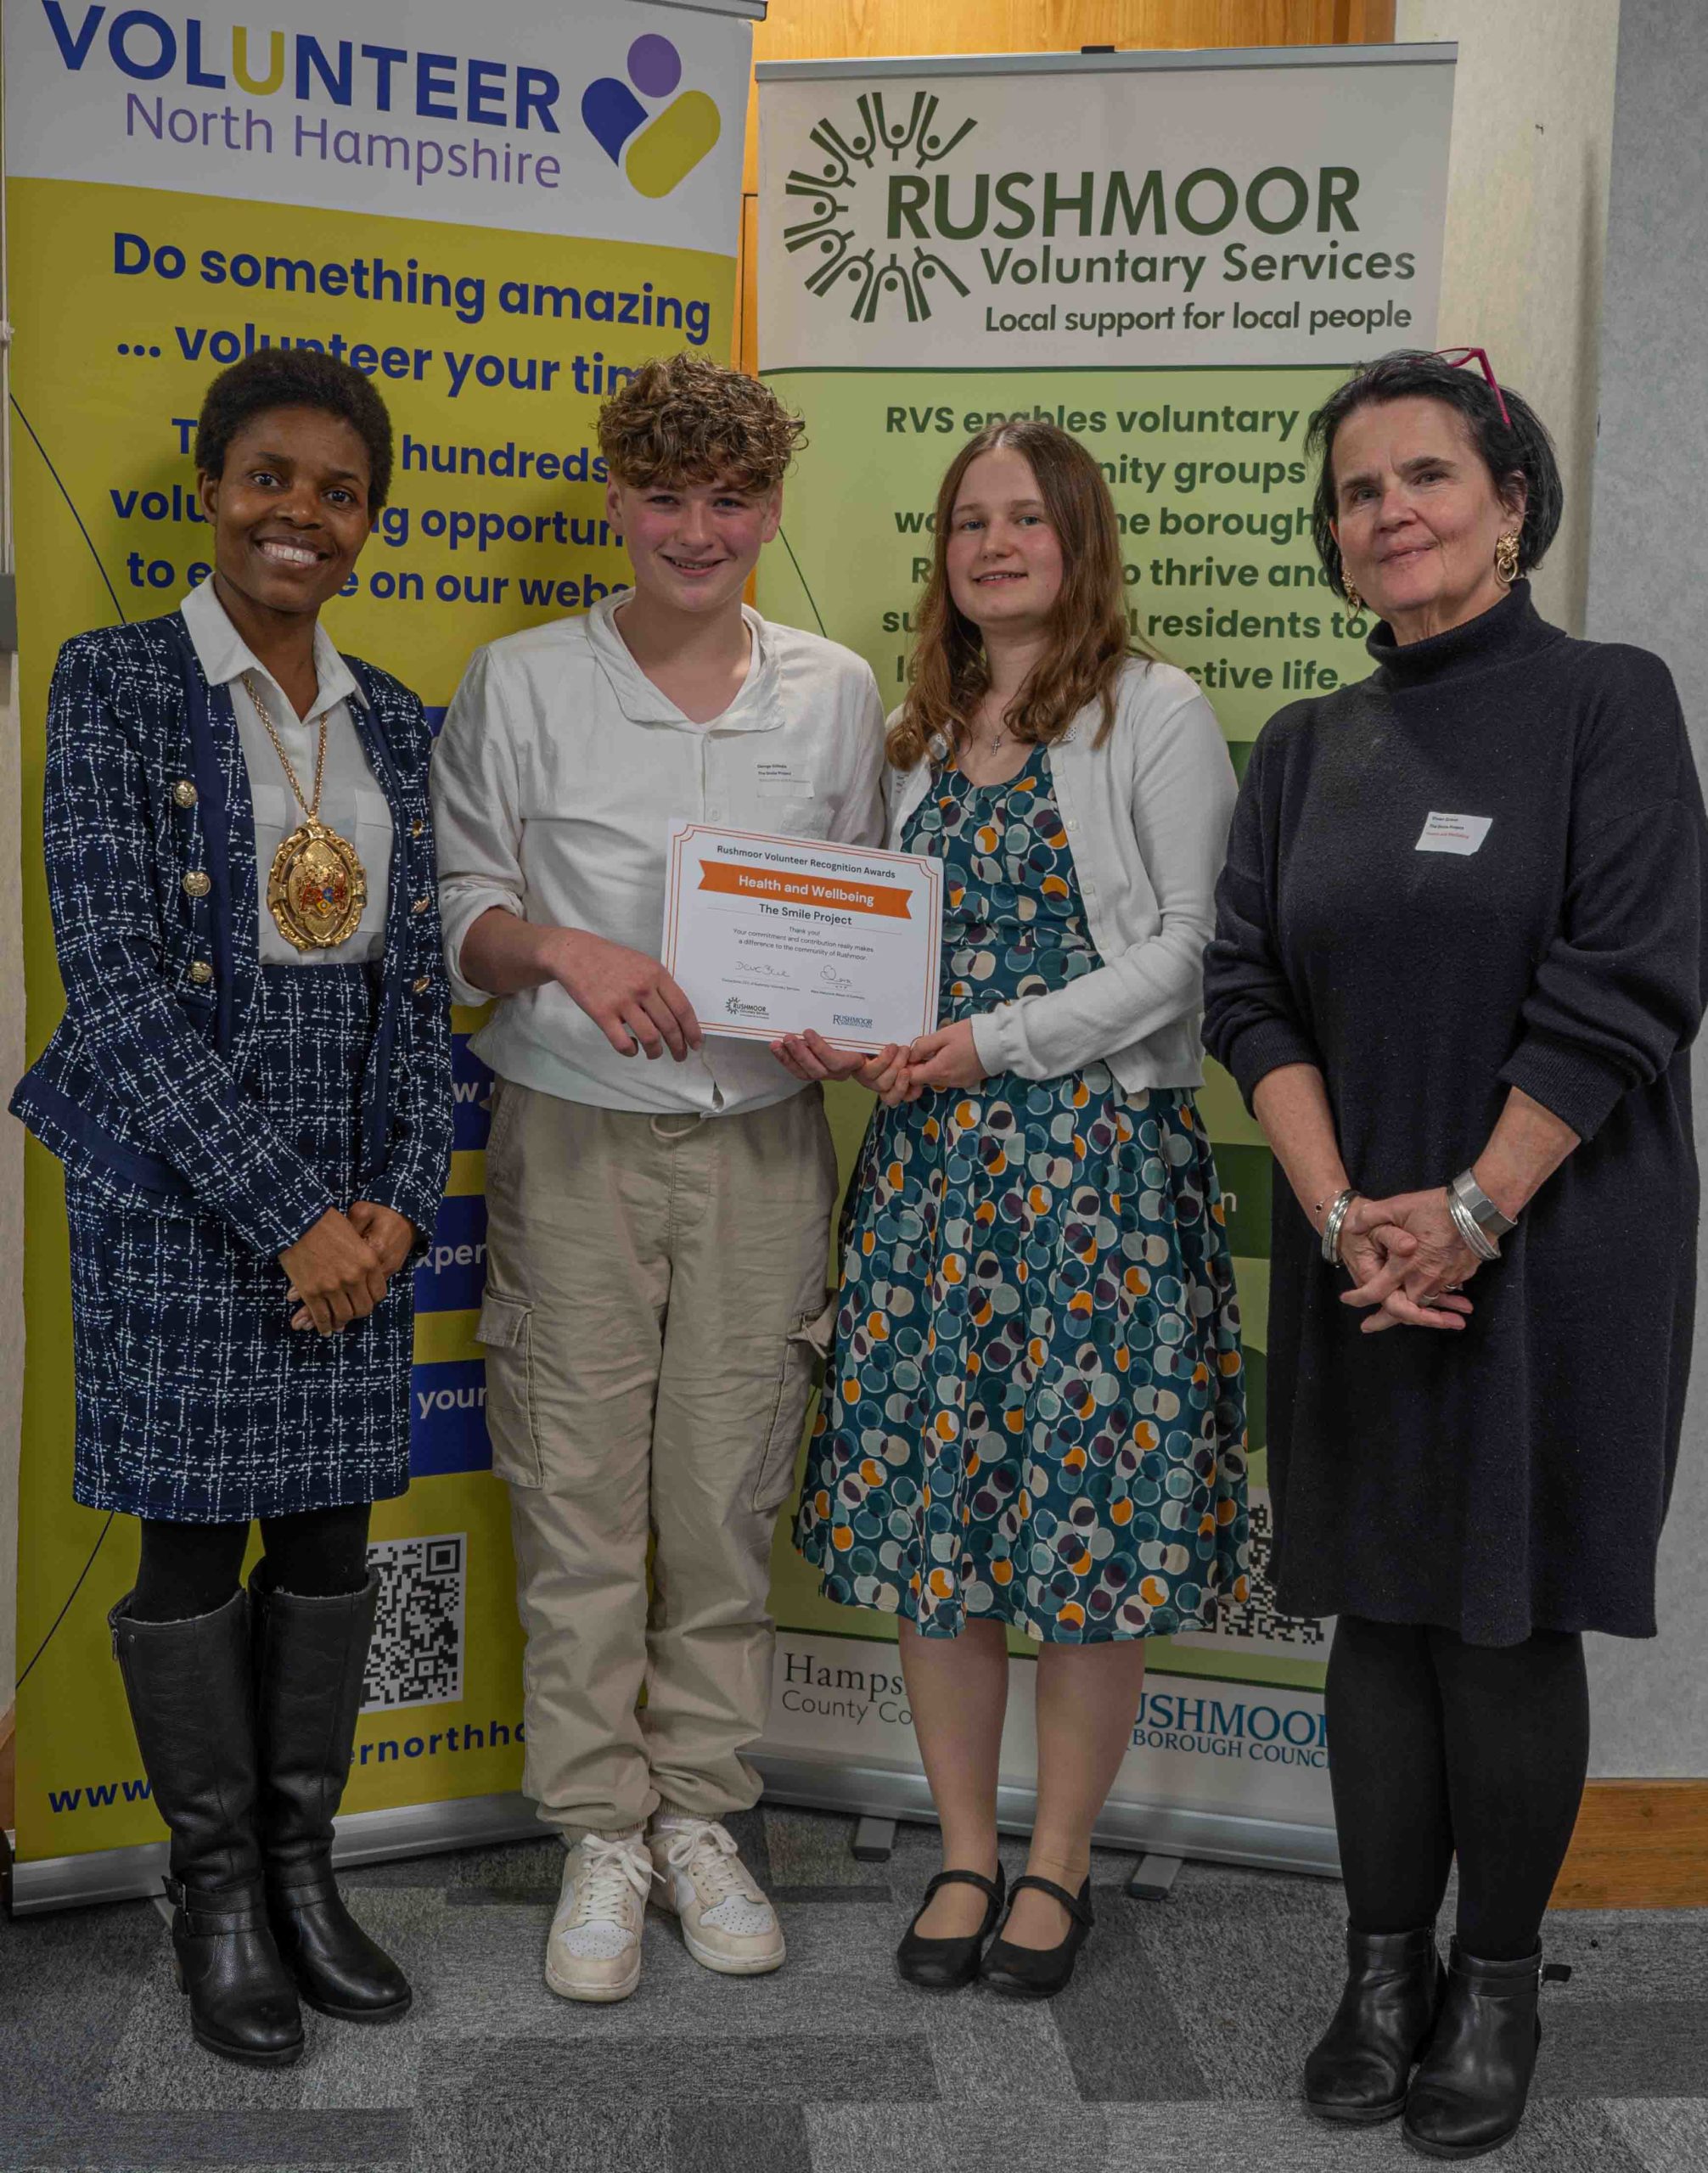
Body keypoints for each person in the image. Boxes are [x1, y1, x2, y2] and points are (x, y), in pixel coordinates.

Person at [1203, 348, 1707, 2158]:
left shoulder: (1606, 701)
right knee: (1377, 1604)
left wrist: (1475, 1208)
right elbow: (1246, 990)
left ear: (1510, 502)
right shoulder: (1302, 747)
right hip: (1360, 1249)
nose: (1388, 510)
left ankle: (1495, 1982)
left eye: (1425, 475)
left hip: (1557, 1239)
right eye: (1357, 490)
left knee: (1503, 1612)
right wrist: (1349, 1213)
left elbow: (1632, 977)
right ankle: (1379, 1971)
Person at [12, 351, 453, 2066]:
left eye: (339, 493)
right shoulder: (116, 682)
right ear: (212, 487)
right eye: (270, 477)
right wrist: (288, 1216)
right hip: (186, 1191)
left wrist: (396, 1205)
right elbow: (114, 985)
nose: (301, 516)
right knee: (193, 1545)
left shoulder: (395, 718)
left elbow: (422, 997)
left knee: (332, 1539)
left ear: (369, 523)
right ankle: (212, 1895)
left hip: (353, 1200)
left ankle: (299, 1872)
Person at [430, 353, 885, 2004]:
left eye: (732, 499)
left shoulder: (835, 691)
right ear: (617, 502)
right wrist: (563, 947)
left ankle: (700, 1812)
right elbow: (460, 911)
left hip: (766, 1139)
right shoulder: (519, 682)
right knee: (576, 1494)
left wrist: (851, 1018)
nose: (699, 530)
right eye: (668, 496)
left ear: (771, 510)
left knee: (723, 1491)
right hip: (574, 1134)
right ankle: (597, 1832)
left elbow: (866, 907)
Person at [789, 418, 1246, 1999]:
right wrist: (839, 1024)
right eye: (970, 521)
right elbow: (867, 931)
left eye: (1027, 519)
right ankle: (966, 1851)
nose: (994, 545)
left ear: (1080, 541)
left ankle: (1058, 1862)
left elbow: (1187, 948)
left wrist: (995, 1041)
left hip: (1094, 1180)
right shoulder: (912, 728)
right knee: (943, 1526)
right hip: (931, 1185)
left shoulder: (1152, 710)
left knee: (1084, 1531)